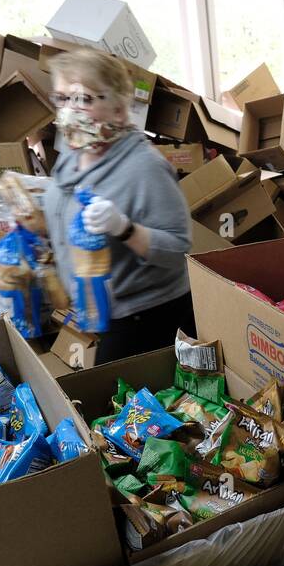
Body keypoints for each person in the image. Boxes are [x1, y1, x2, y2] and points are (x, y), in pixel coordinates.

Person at [43, 49, 193, 364]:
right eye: (61, 98)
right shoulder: (75, 152)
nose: (70, 111)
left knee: (117, 403)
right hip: (99, 311)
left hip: (147, 317)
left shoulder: (144, 167)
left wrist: (123, 228)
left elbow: (178, 249)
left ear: (119, 110)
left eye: (83, 99)